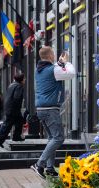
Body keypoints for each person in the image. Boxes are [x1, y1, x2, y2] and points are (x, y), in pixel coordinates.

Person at [31, 46, 75, 179]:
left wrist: (60, 63)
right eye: (53, 54)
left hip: (41, 110)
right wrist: (66, 62)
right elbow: (71, 73)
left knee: (52, 138)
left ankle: (50, 168)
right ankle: (39, 164)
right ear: (50, 55)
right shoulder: (53, 70)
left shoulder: (39, 70)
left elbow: (55, 68)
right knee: (58, 138)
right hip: (50, 109)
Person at [0, 73, 26, 148]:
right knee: (8, 124)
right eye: (24, 78)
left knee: (18, 121)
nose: (25, 80)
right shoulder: (19, 86)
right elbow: (17, 97)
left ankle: (16, 136)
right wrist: (18, 108)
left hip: (9, 107)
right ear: (21, 79)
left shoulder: (11, 85)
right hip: (13, 108)